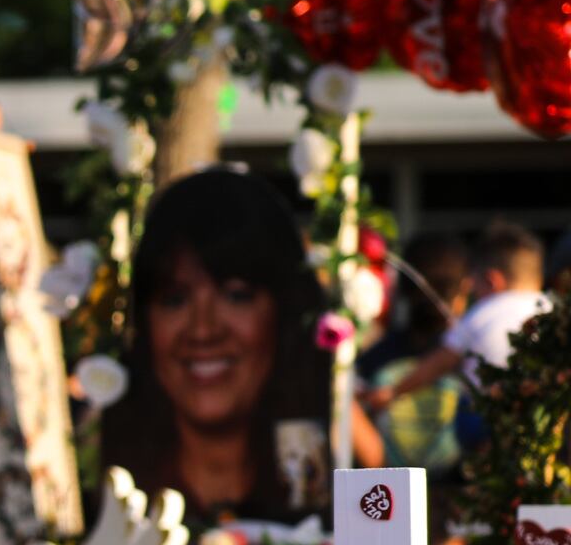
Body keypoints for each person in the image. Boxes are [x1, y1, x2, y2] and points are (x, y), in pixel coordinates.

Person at [100, 167, 331, 521]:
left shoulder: (343, 462)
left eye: (236, 296)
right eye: (175, 299)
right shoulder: (82, 481)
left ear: (284, 312)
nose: (203, 330)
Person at [362, 220, 555, 422]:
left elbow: (439, 363)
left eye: (475, 283)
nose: (470, 289)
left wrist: (393, 392)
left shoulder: (482, 314)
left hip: (491, 421)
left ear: (492, 281)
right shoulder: (551, 309)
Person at [358, 231, 471, 474]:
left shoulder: (374, 356)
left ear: (401, 287)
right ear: (464, 287)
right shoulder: (473, 358)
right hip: (464, 497)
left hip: (387, 498)